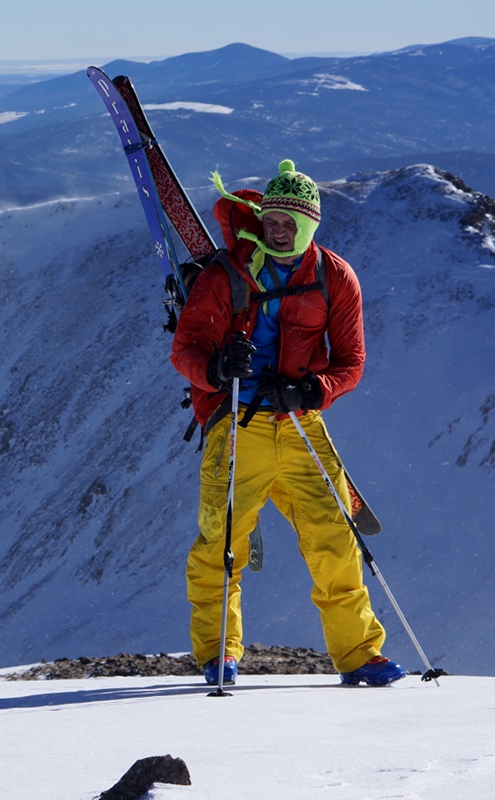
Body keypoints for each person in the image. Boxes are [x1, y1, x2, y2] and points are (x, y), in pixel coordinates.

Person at [170, 159, 406, 687]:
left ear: (308, 226)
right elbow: (184, 350)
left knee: (336, 539)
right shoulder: (226, 275)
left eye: (289, 224)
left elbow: (351, 362)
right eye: (272, 221)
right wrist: (215, 368)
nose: (278, 231)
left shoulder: (334, 277)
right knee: (220, 543)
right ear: (262, 219)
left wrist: (312, 390)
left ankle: (359, 655)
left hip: (301, 423)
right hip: (237, 425)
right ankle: (219, 654)